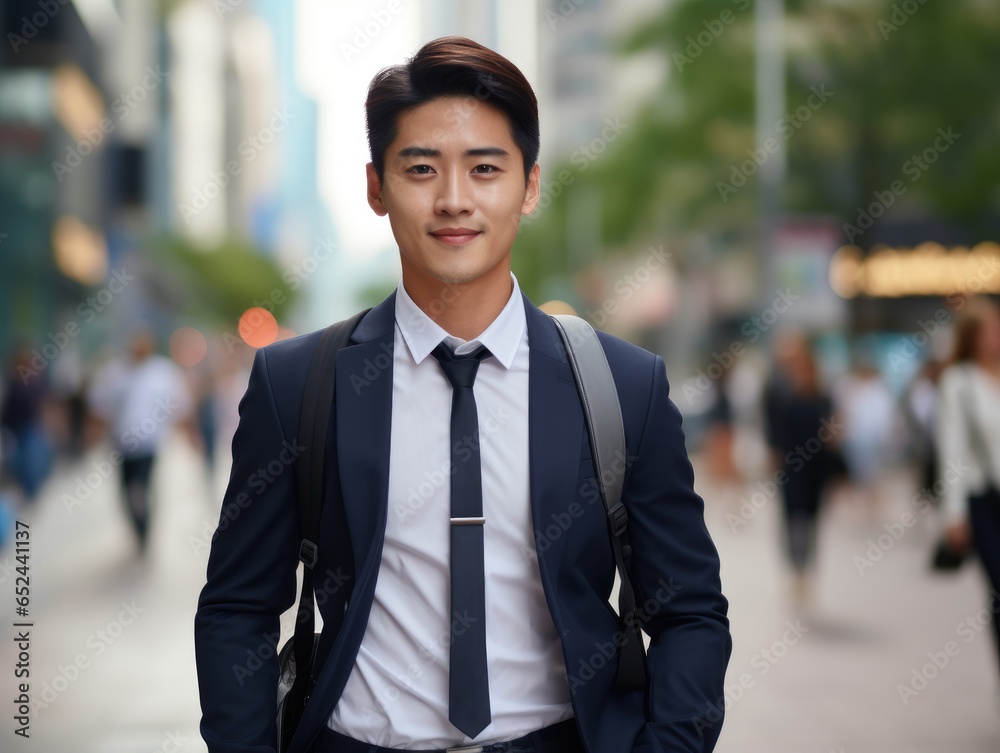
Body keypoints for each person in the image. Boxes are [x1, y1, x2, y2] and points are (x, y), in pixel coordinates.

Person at [194, 36, 731, 753]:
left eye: (485, 168)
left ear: (530, 186)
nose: (453, 200)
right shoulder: (299, 384)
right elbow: (238, 606)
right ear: (376, 187)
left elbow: (689, 609)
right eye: (421, 169)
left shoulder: (624, 387)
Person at [87, 326, 195, 554]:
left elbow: (180, 406)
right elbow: (100, 406)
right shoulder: (115, 372)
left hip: (149, 444)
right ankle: (138, 532)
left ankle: (145, 534)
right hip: (122, 445)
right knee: (127, 492)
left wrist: (190, 436)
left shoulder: (163, 372)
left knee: (139, 489)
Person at [936, 296, 1000, 681]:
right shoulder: (959, 382)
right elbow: (953, 449)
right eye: (987, 332)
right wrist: (954, 514)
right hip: (983, 498)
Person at [763, 333, 839, 607]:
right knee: (792, 518)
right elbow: (772, 427)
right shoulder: (778, 389)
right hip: (790, 465)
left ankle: (808, 570)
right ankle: (796, 570)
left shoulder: (820, 390)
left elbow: (831, 424)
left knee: (812, 519)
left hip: (816, 466)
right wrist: (772, 455)